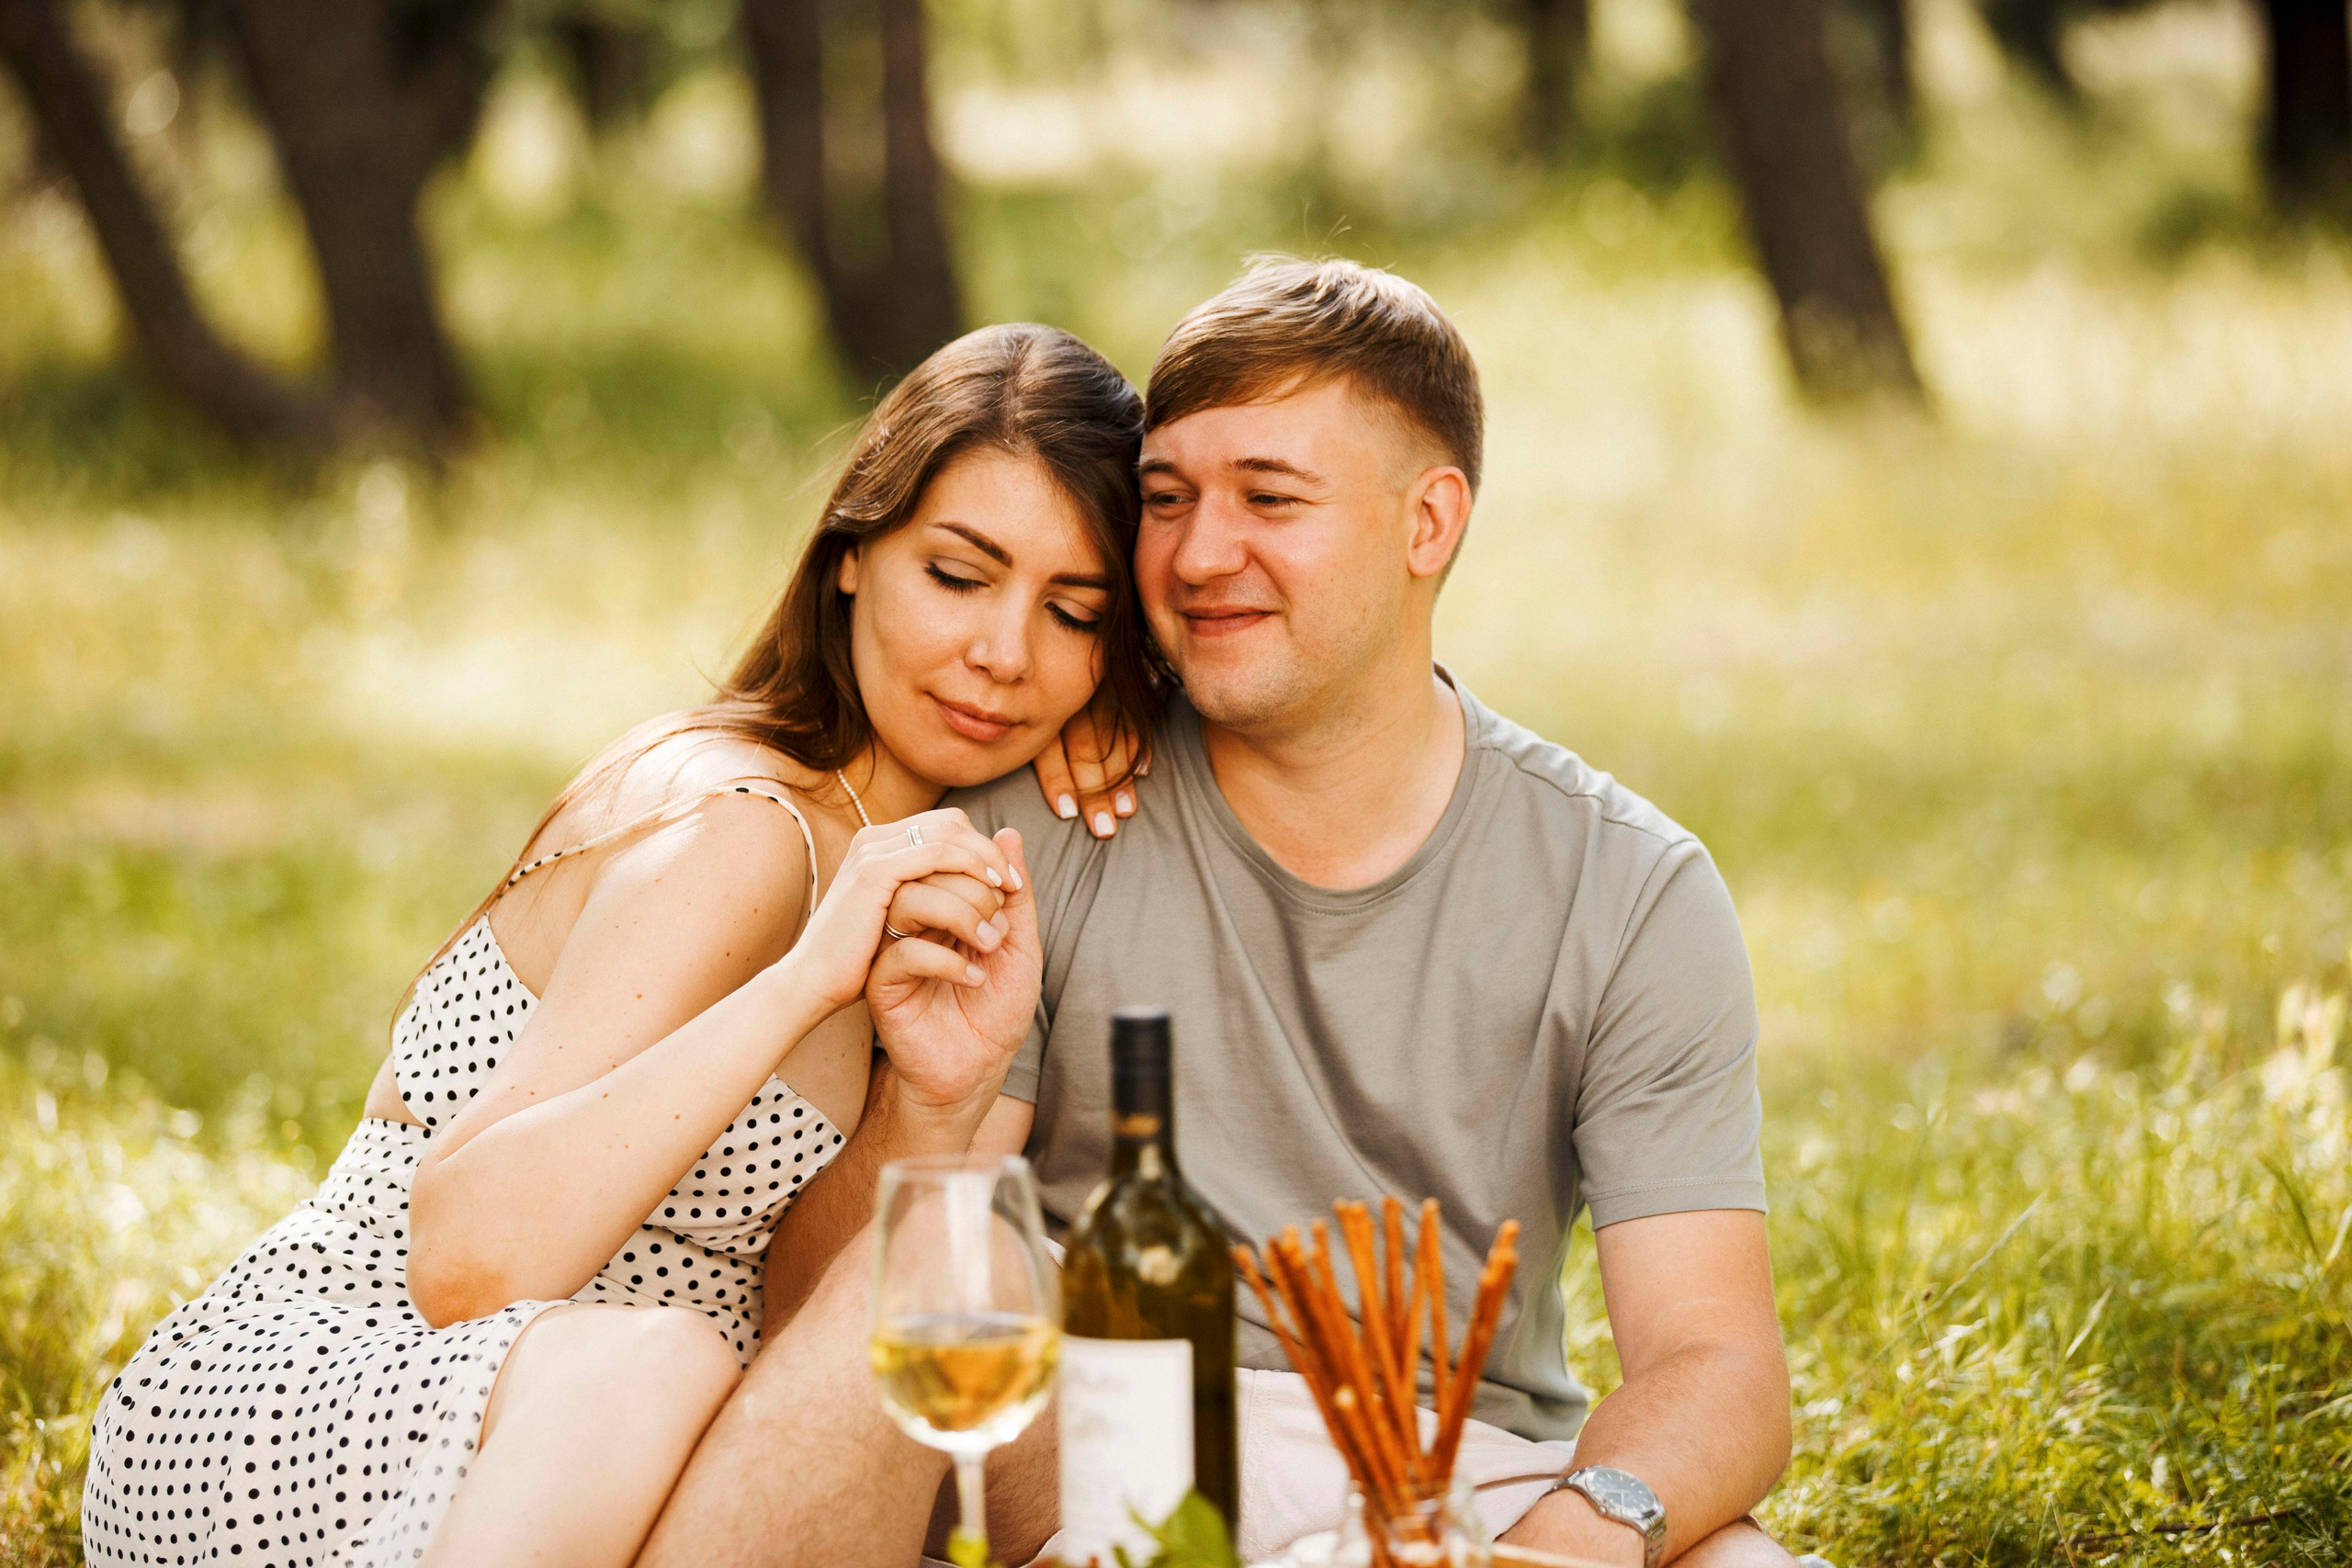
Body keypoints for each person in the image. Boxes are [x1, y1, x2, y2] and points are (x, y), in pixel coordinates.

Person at [688, 258, 1802, 1568]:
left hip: (1452, 1474)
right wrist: (925, 1111)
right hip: (1096, 1454)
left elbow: (1716, 1359)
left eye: (1270, 497)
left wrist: (1576, 1538)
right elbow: (847, 1308)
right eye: (1167, 500)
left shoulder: (1626, 891)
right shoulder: (1035, 817)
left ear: (1427, 525)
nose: (1200, 554)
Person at [77, 322, 1153, 1568]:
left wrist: (932, 1100)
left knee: (1018, 1361)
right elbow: (467, 1260)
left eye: (1072, 613)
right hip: (321, 1413)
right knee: (661, 1360)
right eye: (959, 577)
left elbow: (830, 1339)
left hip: (585, 1466)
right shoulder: (747, 833)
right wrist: (810, 979)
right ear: (855, 553)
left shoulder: (960, 878)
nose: (1004, 654)